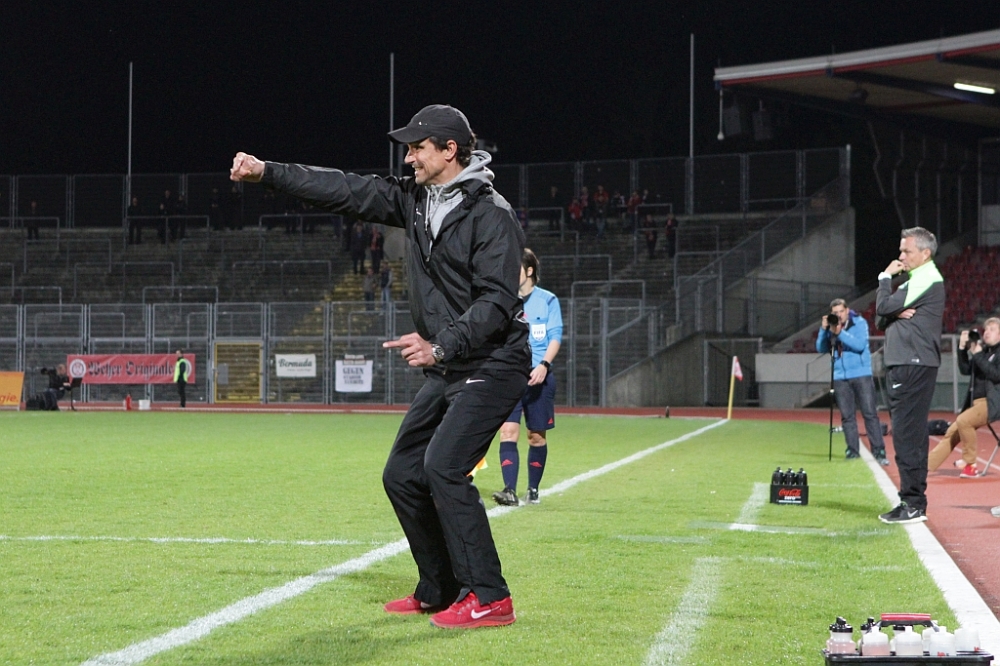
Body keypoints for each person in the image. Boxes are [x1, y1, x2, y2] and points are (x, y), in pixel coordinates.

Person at [230, 103, 529, 629]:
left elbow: (496, 303)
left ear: (450, 150)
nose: (408, 157)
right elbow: (345, 189)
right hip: (453, 360)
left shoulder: (492, 214)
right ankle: (440, 587)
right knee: (402, 474)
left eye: (417, 147)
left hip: (494, 359)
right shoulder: (416, 198)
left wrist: (441, 345)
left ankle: (490, 596)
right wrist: (268, 172)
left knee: (443, 467)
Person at [875, 227, 945, 524]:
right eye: (901, 250)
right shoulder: (915, 281)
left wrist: (884, 278)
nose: (901, 256)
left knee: (908, 435)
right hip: (908, 363)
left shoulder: (926, 278)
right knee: (908, 434)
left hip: (912, 364)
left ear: (925, 253)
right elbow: (881, 319)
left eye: (907, 251)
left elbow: (882, 306)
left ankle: (913, 503)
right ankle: (912, 501)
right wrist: (893, 311)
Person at [492, 249, 563, 506]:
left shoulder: (548, 300)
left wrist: (544, 364)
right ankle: (509, 490)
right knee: (507, 431)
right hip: (511, 378)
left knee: (536, 436)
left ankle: (533, 489)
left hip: (539, 379)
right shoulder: (504, 301)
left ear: (529, 271)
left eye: (516, 268)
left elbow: (555, 336)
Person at [816, 298, 889, 465]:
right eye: (835, 313)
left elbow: (859, 345)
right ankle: (852, 450)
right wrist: (823, 329)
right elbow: (821, 348)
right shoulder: (830, 327)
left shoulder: (859, 323)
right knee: (847, 417)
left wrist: (839, 332)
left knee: (869, 413)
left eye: (841, 311)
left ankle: (879, 450)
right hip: (840, 376)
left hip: (861, 374)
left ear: (847, 311)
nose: (839, 315)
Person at [928, 318, 1000, 477]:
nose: (986, 332)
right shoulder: (984, 352)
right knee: (952, 431)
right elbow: (966, 369)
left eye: (992, 329)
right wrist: (962, 349)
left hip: (992, 402)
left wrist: (978, 354)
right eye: (986, 329)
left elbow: (996, 375)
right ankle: (926, 465)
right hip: (976, 403)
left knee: (963, 421)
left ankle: (971, 465)